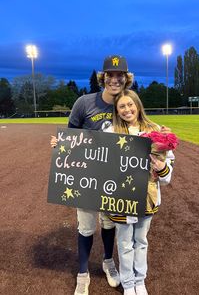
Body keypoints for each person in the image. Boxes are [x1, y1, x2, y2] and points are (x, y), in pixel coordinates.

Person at [51, 55, 171, 295]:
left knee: (108, 223)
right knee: (86, 227)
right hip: (87, 176)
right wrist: (60, 144)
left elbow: (141, 124)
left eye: (120, 76)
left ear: (126, 79)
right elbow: (71, 135)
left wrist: (161, 132)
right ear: (102, 77)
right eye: (110, 75)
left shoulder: (126, 105)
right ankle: (83, 274)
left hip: (113, 181)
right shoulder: (84, 102)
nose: (114, 79)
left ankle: (108, 262)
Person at [103, 89, 175, 295]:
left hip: (147, 196)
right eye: (122, 106)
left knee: (141, 241)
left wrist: (162, 167)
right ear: (117, 110)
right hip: (120, 198)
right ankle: (128, 284)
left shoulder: (156, 130)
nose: (127, 110)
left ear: (138, 105)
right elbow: (93, 157)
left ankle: (139, 280)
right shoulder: (110, 132)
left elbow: (167, 171)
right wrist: (60, 145)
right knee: (125, 243)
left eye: (130, 105)